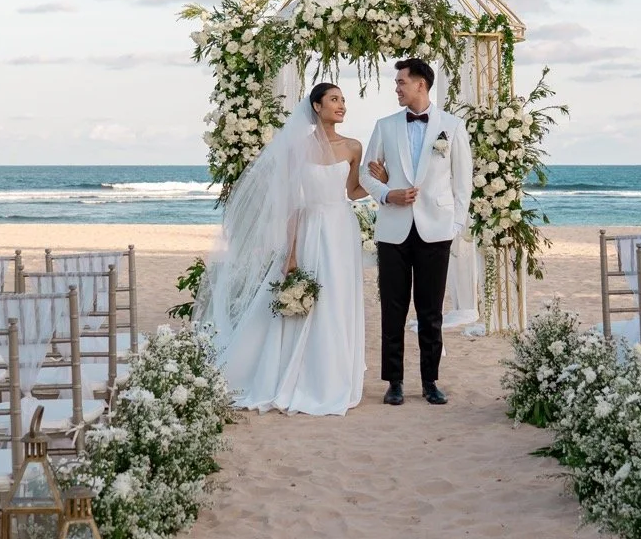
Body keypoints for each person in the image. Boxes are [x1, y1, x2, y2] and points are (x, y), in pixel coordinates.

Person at [195, 83, 367, 415]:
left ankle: (335, 374)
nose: (341, 105)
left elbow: (353, 190)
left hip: (342, 230)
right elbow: (290, 204)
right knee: (313, 297)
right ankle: (304, 376)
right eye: (334, 100)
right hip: (310, 229)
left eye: (343, 100)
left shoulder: (354, 147)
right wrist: (289, 254)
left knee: (339, 299)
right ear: (316, 106)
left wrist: (381, 182)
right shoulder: (296, 149)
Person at [360, 58, 473, 406]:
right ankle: (394, 382)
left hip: (435, 230)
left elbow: (462, 181)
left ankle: (430, 381)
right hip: (393, 229)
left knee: (431, 311)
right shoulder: (385, 125)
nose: (397, 88)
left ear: (421, 84)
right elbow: (366, 173)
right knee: (393, 309)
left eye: (401, 82)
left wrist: (454, 226)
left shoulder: (451, 126)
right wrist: (386, 193)